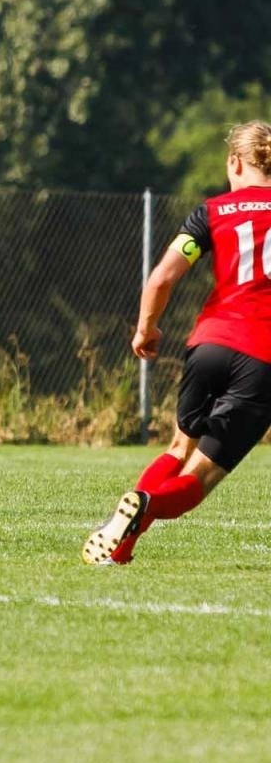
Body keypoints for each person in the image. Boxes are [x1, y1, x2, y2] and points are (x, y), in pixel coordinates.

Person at [84, 120, 271, 565]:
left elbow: (162, 277)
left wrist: (145, 329)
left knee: (177, 449)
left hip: (209, 345)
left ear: (234, 161)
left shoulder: (212, 212)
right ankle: (145, 507)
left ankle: (121, 543)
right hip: (262, 358)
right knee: (201, 478)